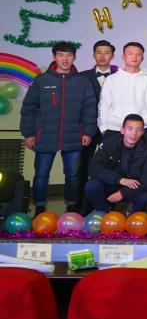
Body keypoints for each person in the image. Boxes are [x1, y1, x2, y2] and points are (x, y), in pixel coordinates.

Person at [20, 41, 98, 214]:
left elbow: (90, 109)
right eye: (61, 55)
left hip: (74, 136)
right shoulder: (41, 80)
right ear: (54, 57)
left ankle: (71, 207)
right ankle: (40, 207)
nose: (65, 59)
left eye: (69, 55)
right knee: (41, 175)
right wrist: (29, 134)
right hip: (45, 136)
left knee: (73, 175)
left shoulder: (82, 82)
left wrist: (88, 132)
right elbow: (28, 108)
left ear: (74, 57)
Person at [84, 114, 147, 213]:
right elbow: (93, 168)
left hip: (133, 188)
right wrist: (119, 179)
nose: (134, 133)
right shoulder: (109, 143)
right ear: (122, 130)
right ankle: (105, 211)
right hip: (111, 183)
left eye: (139, 130)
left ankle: (131, 214)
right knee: (92, 186)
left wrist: (123, 193)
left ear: (142, 132)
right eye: (130, 129)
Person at [97, 42, 147, 139]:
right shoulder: (111, 79)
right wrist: (104, 129)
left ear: (142, 58)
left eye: (138, 54)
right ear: (123, 56)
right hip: (114, 129)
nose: (134, 57)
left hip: (141, 130)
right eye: (130, 53)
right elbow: (104, 105)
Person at [77, 40, 117, 194]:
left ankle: (107, 198)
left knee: (109, 163)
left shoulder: (120, 76)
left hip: (111, 127)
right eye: (99, 52)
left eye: (107, 53)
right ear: (93, 55)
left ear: (112, 56)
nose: (102, 56)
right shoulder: (82, 77)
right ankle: (81, 200)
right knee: (84, 163)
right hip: (87, 128)